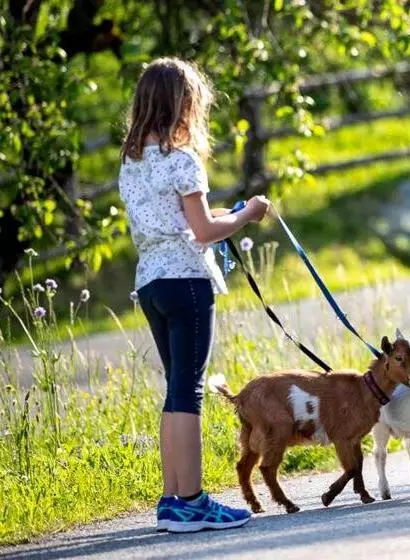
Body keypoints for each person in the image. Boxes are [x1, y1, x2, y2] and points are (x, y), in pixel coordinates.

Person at [118, 57, 271, 532]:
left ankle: (172, 500)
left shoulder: (132, 161)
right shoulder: (182, 160)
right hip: (187, 279)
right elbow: (203, 231)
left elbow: (181, 221)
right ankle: (193, 499)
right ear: (184, 104)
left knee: (176, 388)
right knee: (190, 390)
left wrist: (228, 212)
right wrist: (247, 216)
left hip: (151, 281)